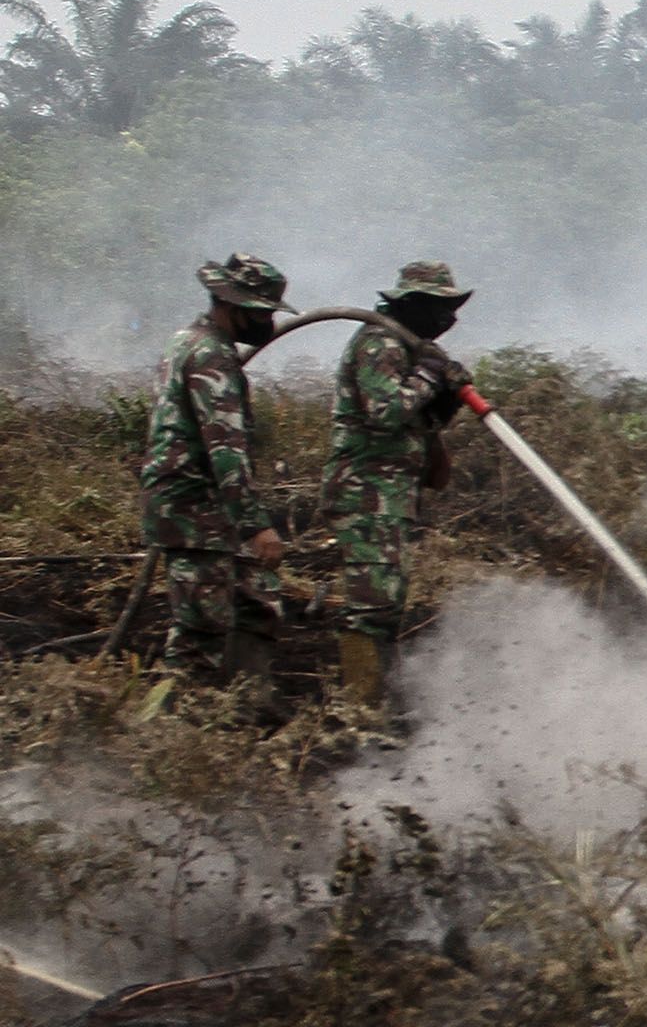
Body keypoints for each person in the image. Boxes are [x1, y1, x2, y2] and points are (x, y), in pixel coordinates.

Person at [323, 260, 474, 707]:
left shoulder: (407, 351)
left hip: (390, 498)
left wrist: (444, 399)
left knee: (386, 607)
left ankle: (376, 704)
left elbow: (418, 423)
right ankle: (359, 713)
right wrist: (427, 374)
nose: (450, 319)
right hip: (365, 494)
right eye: (440, 307)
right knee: (371, 609)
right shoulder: (380, 343)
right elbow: (386, 412)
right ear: (412, 305)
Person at [139, 253, 291, 691]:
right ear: (231, 305)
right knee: (199, 633)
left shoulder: (187, 341)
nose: (266, 322)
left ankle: (246, 706)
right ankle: (171, 737)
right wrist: (256, 526)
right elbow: (225, 449)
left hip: (201, 508)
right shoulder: (211, 356)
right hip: (194, 510)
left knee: (257, 600)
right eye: (259, 312)